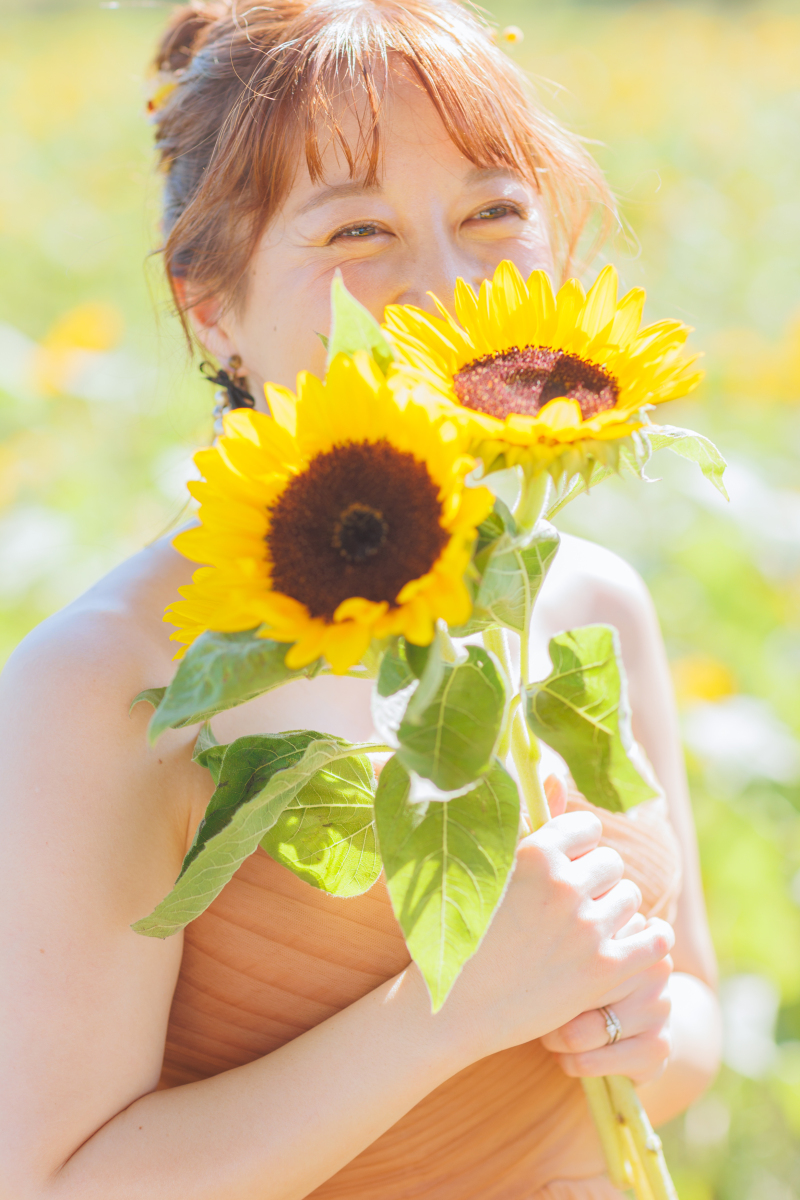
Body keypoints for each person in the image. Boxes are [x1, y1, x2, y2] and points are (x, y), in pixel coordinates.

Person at [0, 3, 722, 1198]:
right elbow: (55, 1182)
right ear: (208, 300)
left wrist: (639, 1029)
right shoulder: (112, 679)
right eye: (357, 230)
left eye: (492, 212)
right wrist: (452, 1009)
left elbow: (686, 1020)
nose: (445, 287)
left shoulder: (585, 600)